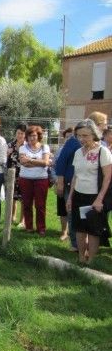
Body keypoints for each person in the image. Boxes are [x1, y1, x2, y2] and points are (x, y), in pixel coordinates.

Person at [55, 111, 108, 252]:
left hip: (93, 192)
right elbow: (63, 163)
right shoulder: (74, 143)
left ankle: (89, 251)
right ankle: (76, 246)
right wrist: (61, 184)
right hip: (74, 187)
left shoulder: (102, 147)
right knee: (76, 220)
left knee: (91, 223)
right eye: (103, 123)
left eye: (84, 135)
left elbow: (107, 174)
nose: (106, 125)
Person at [66, 119, 112, 264]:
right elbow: (75, 176)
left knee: (93, 230)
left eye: (85, 135)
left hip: (94, 197)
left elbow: (108, 177)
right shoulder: (78, 152)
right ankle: (81, 257)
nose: (81, 139)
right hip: (78, 194)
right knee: (79, 229)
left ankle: (91, 260)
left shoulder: (102, 151)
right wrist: (70, 198)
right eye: (79, 135)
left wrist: (99, 199)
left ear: (94, 134)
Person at [18, 125, 51, 235]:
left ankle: (41, 228)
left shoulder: (44, 147)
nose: (32, 138)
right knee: (27, 204)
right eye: (30, 136)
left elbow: (46, 162)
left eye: (34, 136)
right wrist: (38, 161)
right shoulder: (22, 148)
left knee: (40, 205)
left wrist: (30, 160)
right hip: (25, 179)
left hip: (41, 180)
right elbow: (23, 163)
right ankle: (29, 227)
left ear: (39, 136)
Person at [51, 127, 73, 241]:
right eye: (67, 137)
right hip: (61, 185)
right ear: (64, 138)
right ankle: (64, 232)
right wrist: (56, 180)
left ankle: (73, 234)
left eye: (72, 137)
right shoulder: (60, 151)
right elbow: (53, 167)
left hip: (73, 186)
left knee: (72, 210)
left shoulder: (79, 150)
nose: (69, 139)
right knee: (62, 209)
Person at [6, 124, 27, 228]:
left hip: (24, 175)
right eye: (18, 133)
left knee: (23, 198)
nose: (20, 135)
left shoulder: (27, 146)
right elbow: (4, 159)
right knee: (12, 197)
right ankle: (12, 217)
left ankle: (22, 220)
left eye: (22, 133)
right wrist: (7, 153)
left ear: (25, 134)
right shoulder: (10, 145)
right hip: (12, 174)